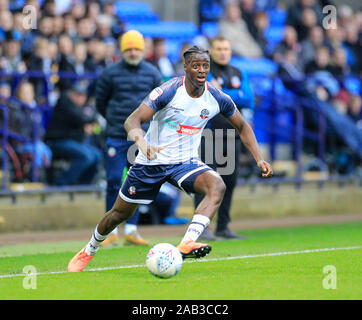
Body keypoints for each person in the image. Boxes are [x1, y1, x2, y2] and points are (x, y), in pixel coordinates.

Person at [67, 46, 273, 272]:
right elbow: (131, 121)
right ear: (185, 68)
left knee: (217, 185)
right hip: (151, 163)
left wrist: (259, 159)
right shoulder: (168, 90)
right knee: (120, 213)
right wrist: (142, 143)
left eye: (205, 66)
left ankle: (187, 242)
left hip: (184, 163)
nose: (202, 70)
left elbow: (243, 125)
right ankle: (90, 248)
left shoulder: (216, 97)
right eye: (196, 66)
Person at [95, 30, 163, 246]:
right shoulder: (110, 73)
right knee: (114, 181)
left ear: (143, 50)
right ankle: (110, 232)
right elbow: (100, 103)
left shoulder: (153, 73)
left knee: (137, 182)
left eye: (136, 48)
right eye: (129, 49)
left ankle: (132, 230)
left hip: (141, 138)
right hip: (116, 135)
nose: (133, 52)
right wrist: (117, 122)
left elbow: (161, 105)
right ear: (123, 50)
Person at [194, 36, 255, 241]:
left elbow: (249, 99)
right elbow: (206, 95)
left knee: (229, 181)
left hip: (232, 135)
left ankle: (223, 226)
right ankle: (201, 227)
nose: (222, 52)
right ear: (211, 50)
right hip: (209, 133)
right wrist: (234, 94)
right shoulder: (204, 71)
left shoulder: (238, 72)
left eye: (226, 48)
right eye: (219, 48)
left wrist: (224, 92)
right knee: (206, 182)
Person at [45, 82, 102, 185]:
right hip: (56, 141)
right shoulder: (64, 101)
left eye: (83, 95)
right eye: (78, 94)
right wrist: (87, 124)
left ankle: (83, 185)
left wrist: (90, 126)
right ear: (71, 93)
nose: (81, 98)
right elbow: (81, 118)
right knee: (86, 156)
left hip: (72, 142)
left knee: (97, 155)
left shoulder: (82, 107)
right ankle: (61, 183)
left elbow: (95, 124)